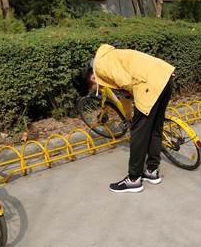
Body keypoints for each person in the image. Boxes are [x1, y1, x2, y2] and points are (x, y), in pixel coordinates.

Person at [73, 44, 175, 193]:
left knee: (138, 134)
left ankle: (134, 180)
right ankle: (152, 171)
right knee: (155, 128)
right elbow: (124, 90)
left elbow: (126, 83)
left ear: (92, 78)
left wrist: (135, 107)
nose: (98, 90)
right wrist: (128, 114)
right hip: (164, 77)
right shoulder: (107, 58)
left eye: (94, 89)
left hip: (148, 85)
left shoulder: (102, 67)